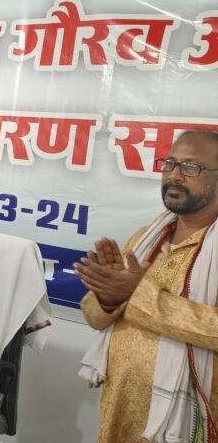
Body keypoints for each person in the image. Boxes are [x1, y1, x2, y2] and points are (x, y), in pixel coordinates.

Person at [76, 129, 218, 443]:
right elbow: (95, 317)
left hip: (188, 424)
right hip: (120, 411)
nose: (174, 175)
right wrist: (107, 299)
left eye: (190, 167)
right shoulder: (147, 237)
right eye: (169, 164)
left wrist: (137, 295)